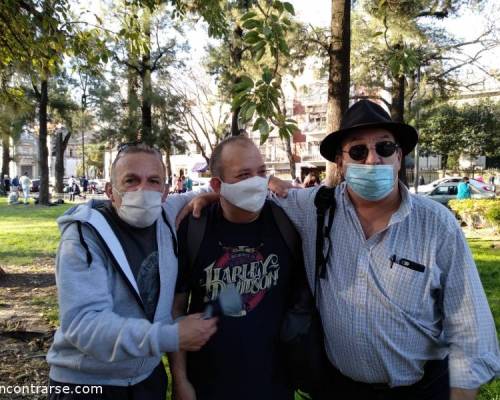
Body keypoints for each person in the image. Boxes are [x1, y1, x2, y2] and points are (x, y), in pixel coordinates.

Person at [189, 100, 500, 400]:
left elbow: (470, 327)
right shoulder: (314, 209)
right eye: (358, 150)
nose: (372, 160)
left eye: (385, 147)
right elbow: (245, 194)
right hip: (338, 388)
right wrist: (210, 197)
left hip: (419, 389)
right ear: (340, 160)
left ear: (399, 155)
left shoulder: (436, 224)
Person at [46, 143, 218, 400]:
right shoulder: (83, 237)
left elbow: (217, 186)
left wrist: (268, 182)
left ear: (164, 191)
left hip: (147, 379)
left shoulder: (167, 215)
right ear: (110, 191)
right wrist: (169, 336)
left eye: (153, 181)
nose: (143, 190)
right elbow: (84, 325)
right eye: (131, 180)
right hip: (87, 385)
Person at [169, 136, 298, 400]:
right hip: (207, 383)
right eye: (244, 175)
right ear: (218, 185)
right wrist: (180, 380)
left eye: (261, 172)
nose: (256, 181)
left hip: (274, 382)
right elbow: (177, 310)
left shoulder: (287, 221)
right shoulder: (194, 227)